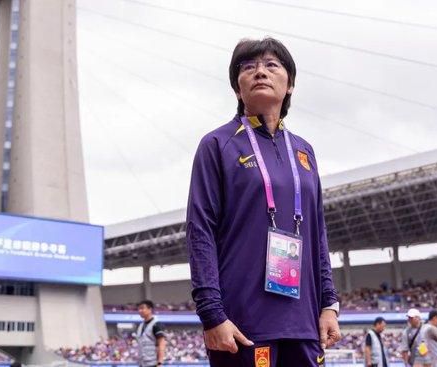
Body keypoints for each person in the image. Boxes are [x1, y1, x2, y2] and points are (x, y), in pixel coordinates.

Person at [186, 37, 340, 366]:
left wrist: (329, 303)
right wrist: (212, 314)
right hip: (242, 323)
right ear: (237, 88)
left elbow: (318, 232)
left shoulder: (304, 151)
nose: (260, 72)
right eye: (248, 67)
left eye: (272, 65)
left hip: (304, 321)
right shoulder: (217, 144)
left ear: (290, 85)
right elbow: (200, 230)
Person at [136, 300, 167, 367]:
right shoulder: (140, 325)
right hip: (142, 363)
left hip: (153, 363)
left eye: (142, 308)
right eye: (138, 309)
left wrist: (159, 363)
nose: (140, 311)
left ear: (150, 309)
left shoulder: (156, 324)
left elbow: (161, 343)